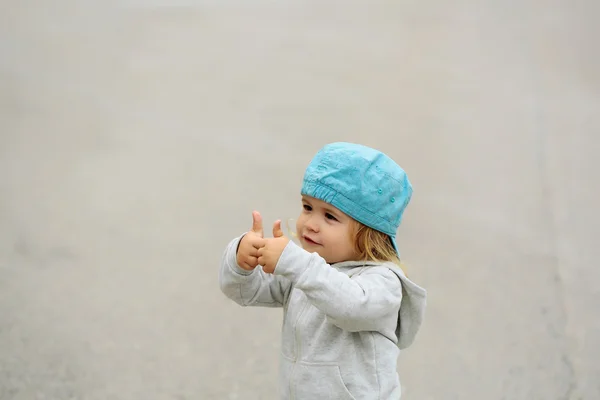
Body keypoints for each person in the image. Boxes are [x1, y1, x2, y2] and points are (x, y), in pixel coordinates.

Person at [219, 142, 427, 399]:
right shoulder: (306, 267)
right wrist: (242, 259)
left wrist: (296, 263)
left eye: (330, 216)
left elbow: (351, 307)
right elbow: (245, 292)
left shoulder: (383, 282)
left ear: (369, 233)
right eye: (307, 207)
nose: (310, 224)